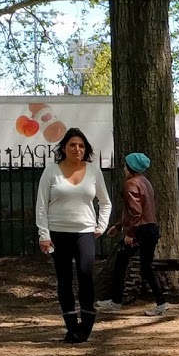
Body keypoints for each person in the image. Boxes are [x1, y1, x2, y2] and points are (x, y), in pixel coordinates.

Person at [35, 127, 111, 342]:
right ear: (64, 148)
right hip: (58, 233)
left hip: (85, 232)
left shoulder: (94, 171)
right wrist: (44, 234)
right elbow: (41, 205)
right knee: (64, 280)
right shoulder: (51, 171)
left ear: (85, 149)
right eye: (72, 145)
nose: (77, 149)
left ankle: (85, 326)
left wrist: (100, 226)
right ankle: (71, 326)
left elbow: (105, 202)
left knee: (86, 277)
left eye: (81, 145)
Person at [96, 152, 168, 318]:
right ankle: (160, 301)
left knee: (121, 263)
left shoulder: (130, 184)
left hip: (139, 231)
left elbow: (135, 212)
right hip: (150, 228)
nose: (123, 168)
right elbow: (143, 211)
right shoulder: (145, 182)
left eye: (125, 165)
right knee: (145, 267)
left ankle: (116, 301)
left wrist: (129, 233)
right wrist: (119, 226)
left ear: (129, 167)